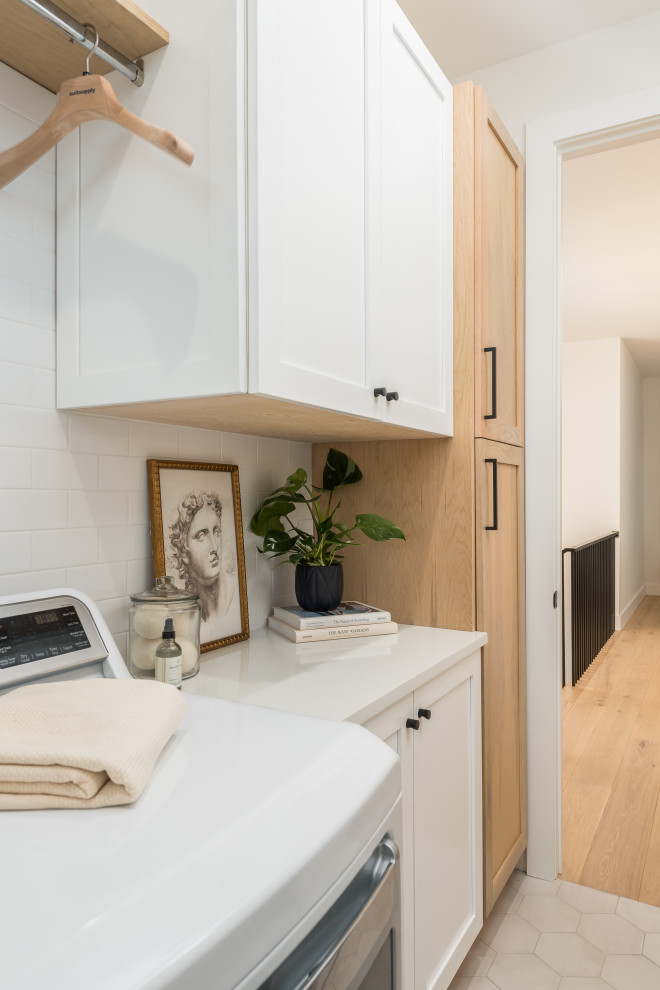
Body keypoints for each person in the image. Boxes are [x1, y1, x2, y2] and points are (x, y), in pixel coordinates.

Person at [169, 491, 239, 637]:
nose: (214, 547)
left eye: (216, 532)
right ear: (183, 551)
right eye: (201, 536)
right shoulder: (183, 609)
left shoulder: (235, 591)